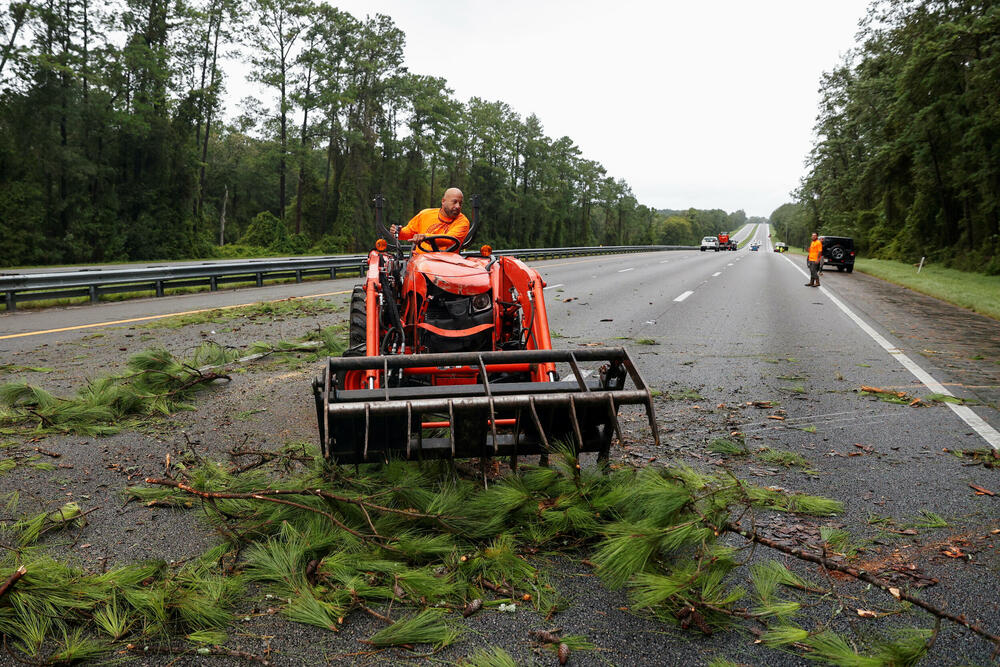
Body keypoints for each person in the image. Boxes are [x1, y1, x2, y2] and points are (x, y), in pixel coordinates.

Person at [390, 188, 470, 253]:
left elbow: (449, 240)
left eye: (460, 203)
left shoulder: (463, 222)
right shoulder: (425, 214)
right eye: (454, 202)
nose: (458, 206)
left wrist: (425, 237)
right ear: (443, 201)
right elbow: (409, 232)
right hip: (421, 262)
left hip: (447, 265)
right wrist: (398, 232)